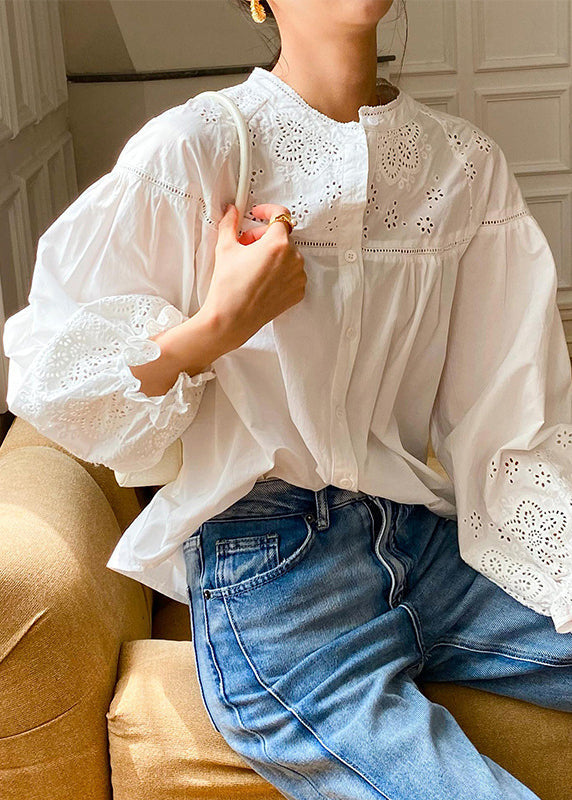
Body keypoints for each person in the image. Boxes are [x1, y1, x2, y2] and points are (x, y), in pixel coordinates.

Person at [3, 0, 572, 796]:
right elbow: (51, 376)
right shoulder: (199, 148)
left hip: (426, 541)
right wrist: (217, 327)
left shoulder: (462, 167)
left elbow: (510, 412)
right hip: (272, 569)